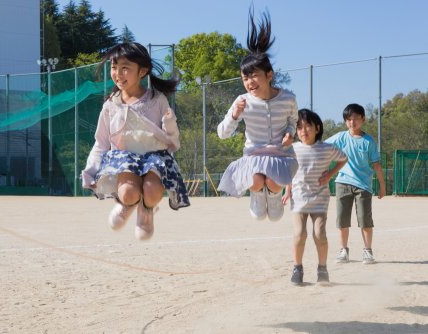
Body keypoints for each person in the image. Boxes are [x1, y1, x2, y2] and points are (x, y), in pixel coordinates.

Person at [81, 42, 190, 240]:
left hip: (154, 158)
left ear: (142, 71)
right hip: (124, 160)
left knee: (151, 192)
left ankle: (147, 209)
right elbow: (102, 142)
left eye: (125, 68)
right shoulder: (110, 105)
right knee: (129, 193)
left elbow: (173, 142)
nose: (118, 73)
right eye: (114, 67)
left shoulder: (157, 100)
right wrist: (90, 170)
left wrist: (170, 124)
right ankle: (127, 204)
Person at [217, 9, 298, 221]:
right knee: (255, 181)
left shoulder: (288, 98)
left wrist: (291, 134)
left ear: (269, 75)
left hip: (280, 155)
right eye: (245, 78)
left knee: (271, 182)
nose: (250, 82)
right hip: (253, 155)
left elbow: (293, 120)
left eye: (254, 76)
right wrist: (234, 116)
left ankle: (273, 195)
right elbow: (222, 134)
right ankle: (257, 195)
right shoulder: (242, 101)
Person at [282, 109, 348, 285]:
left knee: (319, 234)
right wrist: (287, 190)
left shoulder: (327, 148)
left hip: (320, 198)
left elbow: (343, 159)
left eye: (308, 126)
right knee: (299, 233)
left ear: (317, 128)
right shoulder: (292, 149)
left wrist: (330, 174)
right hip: (298, 198)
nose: (304, 131)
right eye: (300, 128)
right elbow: (289, 170)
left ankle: (322, 268)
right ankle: (297, 268)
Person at [325, 103, 386, 264]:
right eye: (349, 119)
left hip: (364, 186)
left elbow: (377, 165)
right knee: (342, 219)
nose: (352, 122)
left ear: (363, 119)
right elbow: (323, 147)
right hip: (342, 182)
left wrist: (382, 186)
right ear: (345, 121)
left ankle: (367, 251)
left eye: (356, 119)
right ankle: (343, 250)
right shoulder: (340, 137)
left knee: (365, 220)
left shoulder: (369, 141)